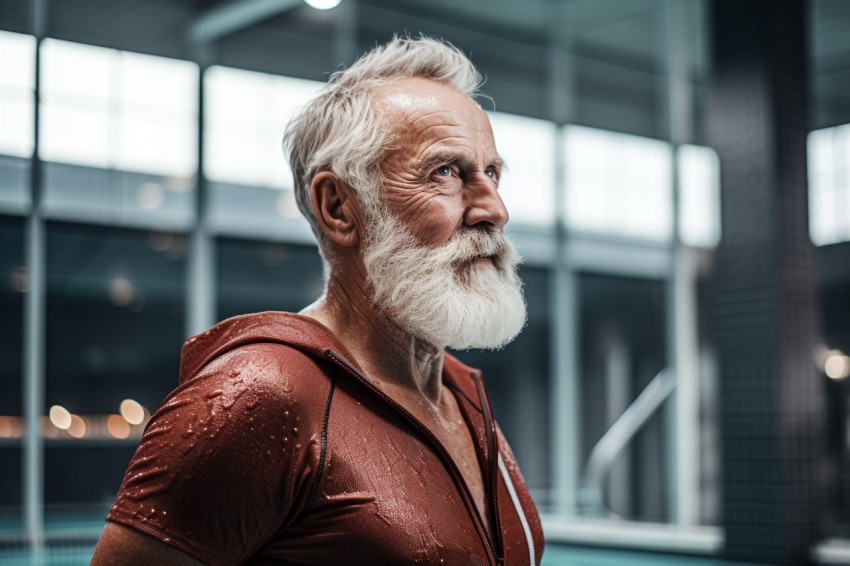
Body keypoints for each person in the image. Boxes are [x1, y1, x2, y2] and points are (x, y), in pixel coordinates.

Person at [91, 36, 543, 565]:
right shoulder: (262, 394)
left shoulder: (462, 392)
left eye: (491, 173)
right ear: (338, 208)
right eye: (444, 172)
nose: (494, 208)